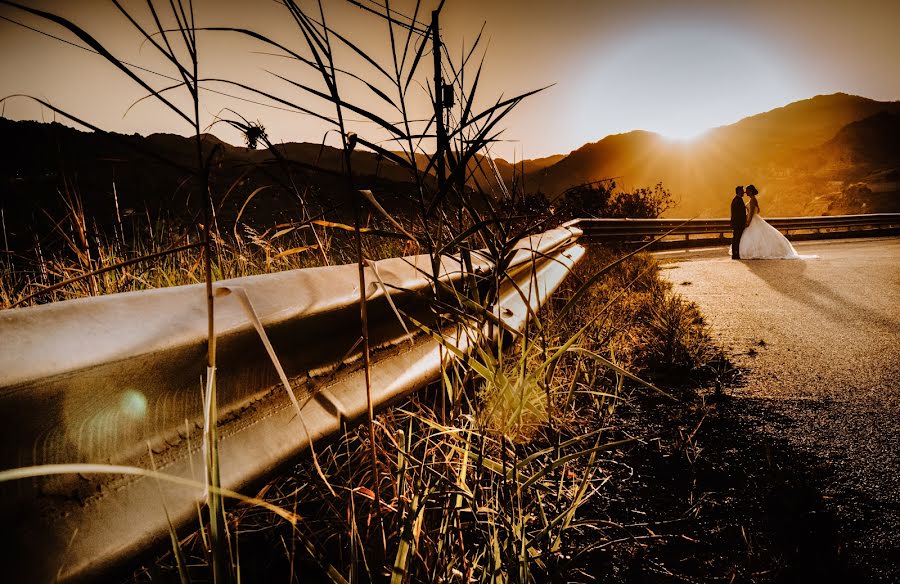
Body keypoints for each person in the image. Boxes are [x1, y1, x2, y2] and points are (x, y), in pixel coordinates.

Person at [738, 184, 801, 259]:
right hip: (756, 219)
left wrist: (748, 222)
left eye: (747, 191)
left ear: (750, 191)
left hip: (753, 220)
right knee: (758, 236)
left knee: (756, 237)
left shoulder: (752, 200)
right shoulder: (754, 199)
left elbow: (751, 213)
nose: (745, 192)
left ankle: (757, 252)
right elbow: (758, 210)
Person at [729, 185, 747, 260]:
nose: (744, 192)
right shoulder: (737, 200)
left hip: (737, 223)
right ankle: (735, 254)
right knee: (736, 239)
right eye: (742, 191)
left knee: (736, 238)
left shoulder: (737, 199)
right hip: (738, 224)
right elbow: (739, 214)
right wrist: (744, 222)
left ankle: (736, 253)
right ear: (739, 191)